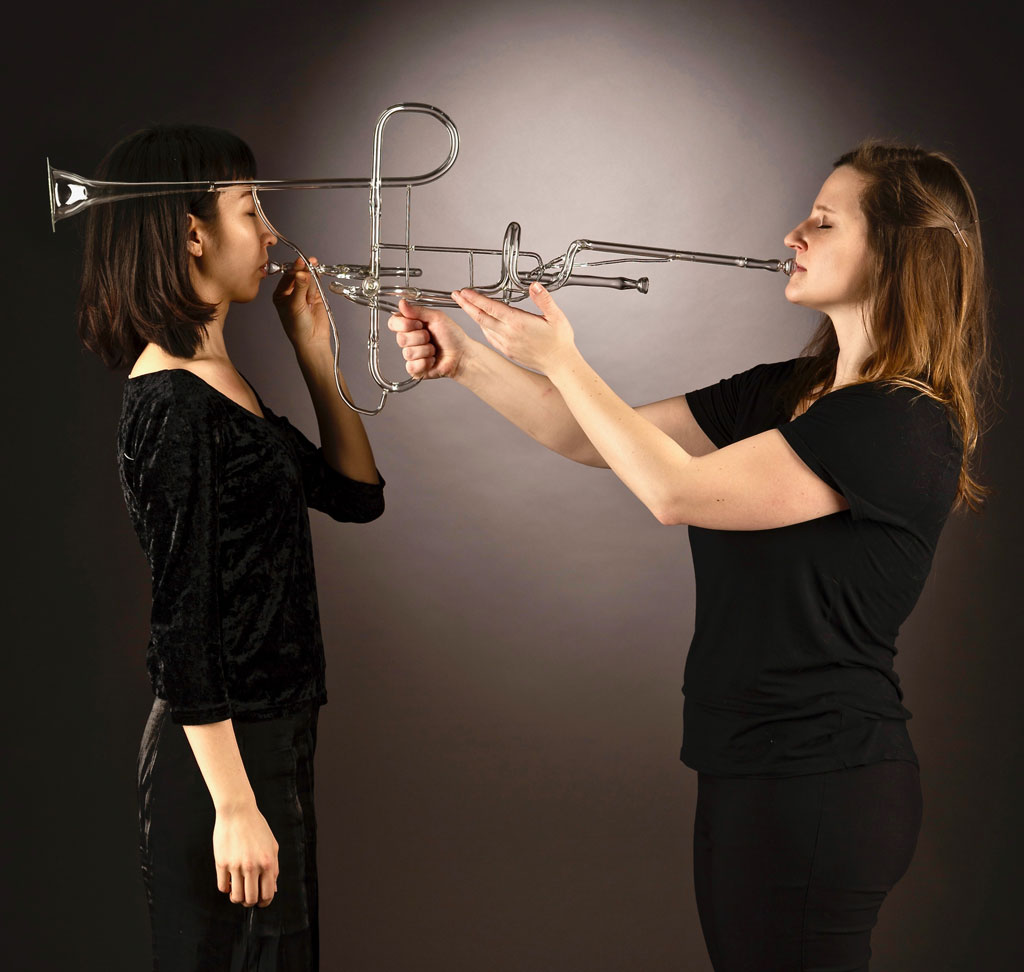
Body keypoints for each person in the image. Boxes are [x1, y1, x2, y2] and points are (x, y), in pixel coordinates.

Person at [387, 142, 991, 970]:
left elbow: (674, 491)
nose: (792, 234)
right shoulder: (787, 392)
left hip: (821, 778)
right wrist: (468, 364)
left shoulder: (899, 422)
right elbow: (596, 438)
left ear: (897, 250)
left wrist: (565, 359)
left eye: (823, 220)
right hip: (747, 763)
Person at [77, 125, 385, 971]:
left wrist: (315, 356)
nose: (273, 234)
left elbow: (357, 497)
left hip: (267, 738)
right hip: (221, 758)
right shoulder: (173, 403)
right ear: (192, 233)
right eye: (252, 208)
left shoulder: (221, 383)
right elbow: (181, 623)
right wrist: (236, 807)